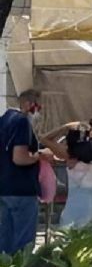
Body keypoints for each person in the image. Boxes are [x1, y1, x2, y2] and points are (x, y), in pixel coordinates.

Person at [40, 122, 92, 237]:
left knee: (72, 241)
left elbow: (44, 139)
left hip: (76, 202)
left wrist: (64, 127)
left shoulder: (68, 154)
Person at [0, 90, 42, 254]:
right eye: (37, 107)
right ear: (29, 104)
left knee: (5, 240)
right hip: (22, 189)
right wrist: (39, 156)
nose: (38, 112)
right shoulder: (22, 122)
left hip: (4, 187)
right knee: (23, 244)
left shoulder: (4, 120)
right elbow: (20, 158)